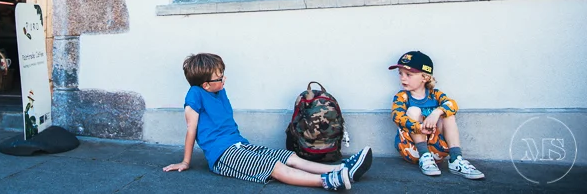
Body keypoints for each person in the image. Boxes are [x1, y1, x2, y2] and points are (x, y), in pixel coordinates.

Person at [163, 53, 373, 190]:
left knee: (288, 156)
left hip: (239, 144)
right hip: (222, 155)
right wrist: (185, 162)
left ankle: (340, 169)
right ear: (206, 85)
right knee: (275, 167)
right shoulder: (195, 95)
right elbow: (191, 129)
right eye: (219, 77)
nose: (224, 79)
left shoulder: (219, 91)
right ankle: (327, 182)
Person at [389, 50, 484, 180]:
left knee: (447, 113)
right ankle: (425, 156)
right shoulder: (402, 96)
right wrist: (418, 127)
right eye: (400, 74)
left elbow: (453, 105)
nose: (402, 78)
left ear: (425, 77)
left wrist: (436, 112)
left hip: (437, 150)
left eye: (408, 74)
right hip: (412, 149)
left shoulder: (435, 95)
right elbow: (397, 116)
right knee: (414, 111)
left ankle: (456, 159)